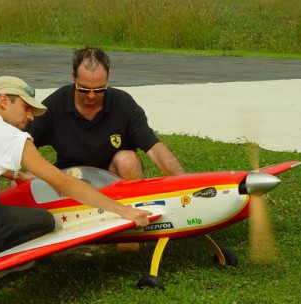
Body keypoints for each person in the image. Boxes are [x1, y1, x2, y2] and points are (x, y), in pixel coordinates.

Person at [0, 76, 151, 296]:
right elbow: (65, 183)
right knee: (46, 222)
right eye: (26, 108)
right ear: (4, 101)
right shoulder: (11, 137)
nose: (30, 117)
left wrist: (16, 174)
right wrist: (124, 211)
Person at [27, 47, 185, 250]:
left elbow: (154, 148)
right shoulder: (56, 103)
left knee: (127, 158)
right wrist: (29, 172)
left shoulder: (123, 103)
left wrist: (183, 184)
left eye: (99, 89)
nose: (91, 96)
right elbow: (23, 142)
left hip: (115, 183)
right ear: (73, 76)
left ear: (108, 79)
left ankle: (130, 234)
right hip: (72, 183)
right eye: (83, 89)